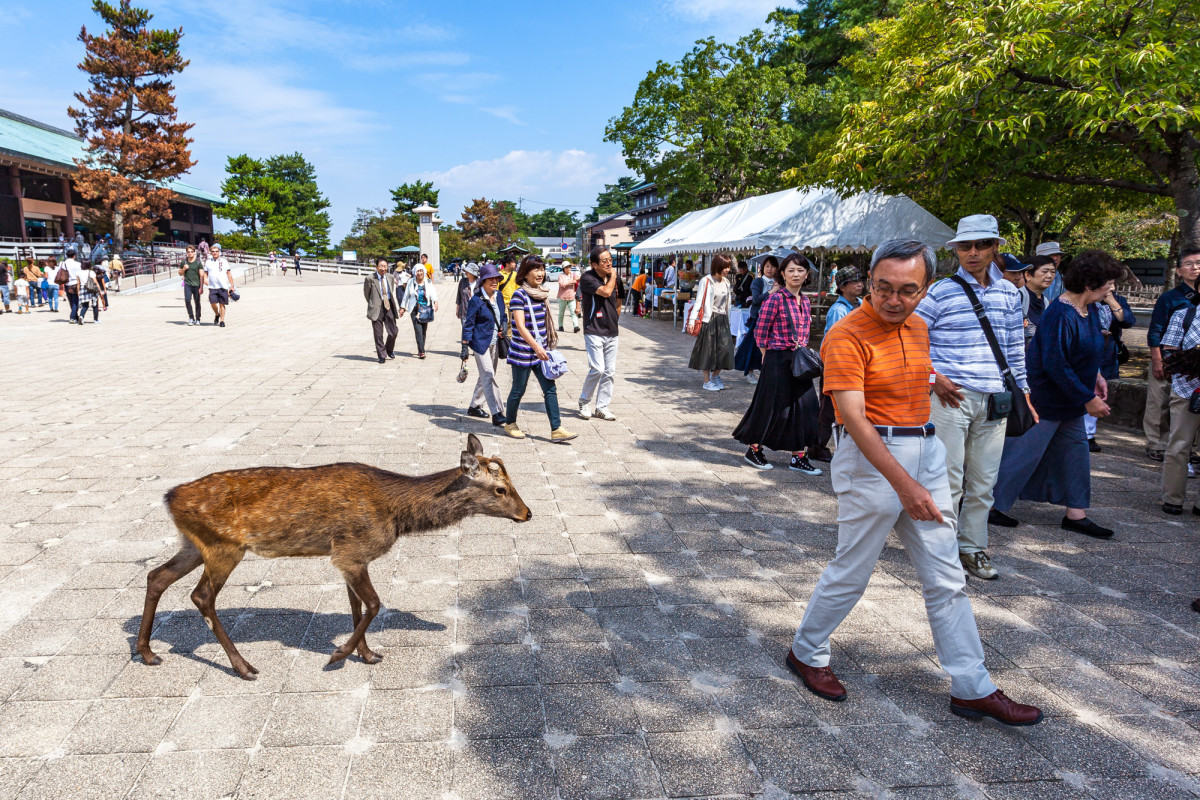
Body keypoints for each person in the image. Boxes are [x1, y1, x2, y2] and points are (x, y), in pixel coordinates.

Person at [787, 238, 1042, 728]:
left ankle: (972, 685)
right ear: (870, 282)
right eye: (883, 288)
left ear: (926, 289)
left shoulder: (920, 326)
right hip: (872, 458)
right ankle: (806, 651)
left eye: (908, 290)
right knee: (853, 569)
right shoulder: (845, 334)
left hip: (924, 449)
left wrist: (934, 379)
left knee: (947, 577)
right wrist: (905, 484)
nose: (893, 300)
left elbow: (908, 369)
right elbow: (855, 420)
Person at [916, 214, 1030, 582]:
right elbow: (913, 343)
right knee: (947, 479)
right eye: (965, 246)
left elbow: (1015, 349)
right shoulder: (939, 292)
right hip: (950, 397)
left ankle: (973, 547)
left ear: (996, 247)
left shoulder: (1010, 293)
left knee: (983, 482)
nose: (973, 252)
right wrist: (935, 378)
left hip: (995, 398)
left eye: (981, 245)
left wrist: (1024, 393)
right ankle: (943, 551)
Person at [989, 251, 1124, 539]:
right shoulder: (1061, 314)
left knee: (1076, 455)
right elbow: (1055, 363)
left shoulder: (1088, 310)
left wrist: (1097, 376)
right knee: (1021, 456)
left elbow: (1084, 353)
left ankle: (1076, 514)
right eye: (1107, 284)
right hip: (1047, 400)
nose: (1110, 289)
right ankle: (990, 505)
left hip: (1070, 401)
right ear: (1090, 284)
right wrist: (1087, 399)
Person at [733, 253, 823, 475]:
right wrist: (766, 356)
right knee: (771, 406)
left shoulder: (805, 300)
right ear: (782, 274)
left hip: (798, 360)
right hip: (776, 358)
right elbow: (760, 331)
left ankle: (798, 455)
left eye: (800, 270)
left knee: (806, 408)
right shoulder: (775, 299)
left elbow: (805, 331)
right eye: (791, 270)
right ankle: (754, 449)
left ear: (807, 274)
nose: (795, 274)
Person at [503, 255, 577, 442]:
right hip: (522, 351)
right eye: (535, 269)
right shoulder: (519, 295)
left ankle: (557, 428)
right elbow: (520, 325)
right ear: (525, 273)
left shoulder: (542, 293)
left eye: (542, 269)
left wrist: (543, 346)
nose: (540, 273)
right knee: (518, 390)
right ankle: (510, 423)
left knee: (550, 388)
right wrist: (536, 346)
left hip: (540, 351)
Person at [1144, 248, 1200, 461]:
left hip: (1195, 363)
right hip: (1169, 356)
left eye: (1198, 263)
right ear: (1178, 271)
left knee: (1192, 401)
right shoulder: (1170, 298)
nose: (1195, 267)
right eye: (1189, 264)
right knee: (1159, 400)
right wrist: (1158, 360)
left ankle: (1188, 446)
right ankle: (1156, 443)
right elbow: (1155, 330)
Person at [811, 269, 866, 463]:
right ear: (842, 287)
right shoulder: (839, 310)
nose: (860, 284)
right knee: (828, 410)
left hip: (856, 365)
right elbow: (836, 341)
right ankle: (817, 446)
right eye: (854, 281)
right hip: (836, 365)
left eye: (861, 280)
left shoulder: (860, 305)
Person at [578, 246, 626, 422]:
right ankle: (584, 401)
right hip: (594, 329)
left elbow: (619, 301)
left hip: (612, 330)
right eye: (604, 261)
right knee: (597, 368)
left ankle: (602, 407)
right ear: (594, 264)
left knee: (610, 371)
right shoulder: (587, 278)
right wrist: (612, 276)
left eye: (610, 259)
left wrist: (615, 318)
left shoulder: (616, 279)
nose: (609, 263)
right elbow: (606, 292)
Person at [1084, 286, 1134, 452]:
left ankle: (1089, 434)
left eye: (1112, 282)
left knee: (1099, 390)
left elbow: (1127, 321)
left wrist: (1111, 300)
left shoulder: (1118, 300)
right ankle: (1081, 431)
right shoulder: (1087, 298)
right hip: (1086, 349)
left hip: (1107, 351)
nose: (1109, 286)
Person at [461, 262, 509, 426]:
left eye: (496, 278)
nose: (494, 282)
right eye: (491, 279)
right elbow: (469, 324)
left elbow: (503, 316)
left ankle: (474, 406)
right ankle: (497, 412)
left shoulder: (499, 296)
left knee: (486, 376)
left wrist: (503, 325)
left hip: (495, 342)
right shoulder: (476, 299)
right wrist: (464, 346)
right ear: (483, 281)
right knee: (489, 374)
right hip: (480, 344)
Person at [686, 254, 736, 391]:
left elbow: (727, 303)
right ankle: (707, 381)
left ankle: (715, 376)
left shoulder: (726, 282)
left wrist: (728, 319)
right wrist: (692, 321)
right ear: (718, 266)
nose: (727, 270)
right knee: (708, 351)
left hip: (723, 319)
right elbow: (698, 301)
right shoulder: (706, 281)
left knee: (725, 350)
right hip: (709, 319)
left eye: (728, 267)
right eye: (725, 267)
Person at [735, 257, 778, 386]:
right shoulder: (758, 282)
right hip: (758, 318)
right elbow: (756, 299)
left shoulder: (779, 283)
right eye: (767, 266)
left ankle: (766, 371)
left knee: (770, 347)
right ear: (762, 268)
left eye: (772, 266)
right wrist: (772, 291)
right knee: (753, 346)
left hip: (773, 319)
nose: (769, 269)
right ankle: (749, 371)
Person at [364, 257, 400, 364]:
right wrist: (373, 303)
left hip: (388, 305)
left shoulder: (390, 277)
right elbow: (367, 294)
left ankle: (389, 349)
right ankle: (382, 355)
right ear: (376, 267)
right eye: (381, 266)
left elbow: (391, 290)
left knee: (393, 331)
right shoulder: (370, 278)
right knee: (378, 333)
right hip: (376, 308)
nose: (383, 268)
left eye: (385, 266)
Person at [399, 264, 438, 359]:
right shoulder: (411, 282)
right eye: (417, 271)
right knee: (418, 330)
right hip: (415, 309)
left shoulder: (428, 281)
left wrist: (435, 301)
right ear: (415, 272)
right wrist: (403, 307)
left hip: (426, 309)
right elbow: (406, 295)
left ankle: (421, 347)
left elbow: (433, 292)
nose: (419, 273)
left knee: (424, 330)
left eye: (421, 271)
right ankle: (421, 351)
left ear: (423, 272)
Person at [1018, 256, 1057, 345]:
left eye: (1053, 272)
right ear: (1028, 275)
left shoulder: (1045, 302)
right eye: (1045, 271)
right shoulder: (1018, 297)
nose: (1049, 276)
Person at [202, 244, 234, 327]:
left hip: (223, 286)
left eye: (216, 251)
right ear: (210, 252)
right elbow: (205, 273)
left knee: (222, 303)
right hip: (212, 286)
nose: (215, 253)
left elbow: (229, 273)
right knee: (212, 302)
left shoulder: (224, 261)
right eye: (213, 251)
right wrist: (205, 279)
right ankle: (217, 314)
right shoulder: (208, 262)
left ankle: (222, 321)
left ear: (219, 252)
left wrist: (232, 285)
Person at [179, 245, 204, 325]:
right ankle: (191, 317)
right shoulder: (184, 262)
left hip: (196, 285)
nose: (190, 253)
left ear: (194, 253)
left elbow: (201, 275)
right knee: (187, 300)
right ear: (186, 253)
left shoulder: (198, 263)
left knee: (197, 301)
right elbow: (180, 273)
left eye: (191, 252)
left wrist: (201, 287)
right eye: (188, 252)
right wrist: (184, 269)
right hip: (188, 284)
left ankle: (198, 318)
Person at [557, 263, 581, 332]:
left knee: (573, 312)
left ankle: (576, 326)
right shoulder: (561, 276)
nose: (568, 268)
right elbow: (562, 284)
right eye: (566, 267)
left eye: (569, 267)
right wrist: (571, 281)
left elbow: (578, 278)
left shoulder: (573, 275)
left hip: (571, 297)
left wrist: (579, 278)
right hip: (562, 297)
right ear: (563, 268)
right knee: (561, 313)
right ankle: (560, 325)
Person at [62, 249, 85, 324]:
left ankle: (75, 316)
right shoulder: (78, 264)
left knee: (71, 301)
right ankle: (72, 317)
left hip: (67, 283)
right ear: (74, 255)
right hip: (76, 283)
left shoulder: (63, 263)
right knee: (76, 301)